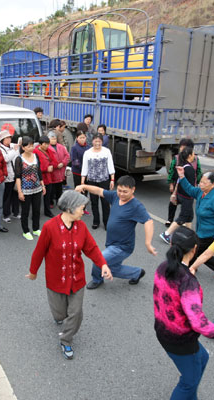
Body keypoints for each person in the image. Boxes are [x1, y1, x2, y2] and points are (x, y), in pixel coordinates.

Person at [154, 226, 214, 399]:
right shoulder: (187, 282)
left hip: (163, 331)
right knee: (188, 383)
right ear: (194, 249)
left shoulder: (163, 267)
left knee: (202, 358)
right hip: (180, 340)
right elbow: (199, 322)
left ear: (171, 244)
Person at [27, 191, 112, 359]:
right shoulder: (50, 227)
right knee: (60, 314)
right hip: (55, 279)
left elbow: (92, 248)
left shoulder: (81, 227)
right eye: (82, 208)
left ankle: (66, 340)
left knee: (76, 312)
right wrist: (33, 272)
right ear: (70, 208)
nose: (84, 211)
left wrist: (102, 264)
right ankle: (60, 318)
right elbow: (39, 251)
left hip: (77, 279)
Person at [76, 175, 157, 289]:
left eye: (125, 192)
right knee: (113, 268)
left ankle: (97, 279)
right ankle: (136, 273)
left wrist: (148, 243)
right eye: (119, 190)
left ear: (133, 190)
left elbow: (149, 222)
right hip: (111, 243)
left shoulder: (136, 206)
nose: (121, 194)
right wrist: (84, 186)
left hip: (122, 247)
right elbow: (99, 190)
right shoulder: (115, 196)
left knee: (99, 259)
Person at [171, 168, 214, 275]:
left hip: (211, 234)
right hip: (201, 231)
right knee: (204, 254)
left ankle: (184, 269)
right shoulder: (201, 192)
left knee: (193, 251)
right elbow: (189, 189)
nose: (200, 184)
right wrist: (181, 176)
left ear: (212, 184)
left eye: (204, 182)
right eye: (200, 181)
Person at [159, 147, 197, 243]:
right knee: (183, 216)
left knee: (189, 216)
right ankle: (167, 234)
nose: (194, 156)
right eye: (193, 154)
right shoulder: (190, 169)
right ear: (189, 156)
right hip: (187, 196)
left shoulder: (181, 166)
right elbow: (192, 186)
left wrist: (174, 193)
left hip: (180, 194)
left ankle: (190, 235)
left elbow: (177, 181)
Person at [81, 134, 115, 230]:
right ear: (92, 142)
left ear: (102, 141)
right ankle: (96, 221)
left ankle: (106, 222)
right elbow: (85, 167)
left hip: (104, 180)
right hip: (91, 181)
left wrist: (112, 179)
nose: (97, 143)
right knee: (94, 202)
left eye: (99, 141)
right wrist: (83, 182)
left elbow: (110, 166)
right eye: (95, 141)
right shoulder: (87, 153)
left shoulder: (106, 151)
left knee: (105, 202)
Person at [15, 137, 46, 240]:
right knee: (25, 211)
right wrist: (20, 192)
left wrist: (43, 185)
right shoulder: (19, 159)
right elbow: (18, 177)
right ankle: (26, 231)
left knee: (36, 210)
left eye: (32, 145)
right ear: (23, 147)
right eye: (28, 146)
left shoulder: (36, 156)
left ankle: (36, 229)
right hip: (25, 189)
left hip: (37, 188)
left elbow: (39, 172)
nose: (31, 148)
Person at [166, 139, 202, 226]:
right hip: (178, 185)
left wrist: (199, 185)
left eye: (184, 146)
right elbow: (171, 171)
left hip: (190, 188)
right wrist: (171, 184)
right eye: (181, 146)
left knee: (188, 209)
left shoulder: (196, 159)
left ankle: (186, 226)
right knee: (173, 202)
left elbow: (199, 172)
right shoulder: (176, 158)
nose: (181, 148)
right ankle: (170, 220)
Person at [34, 135, 59, 218]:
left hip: (48, 178)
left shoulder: (49, 150)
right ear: (40, 144)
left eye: (48, 144)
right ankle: (35, 213)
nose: (47, 146)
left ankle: (47, 211)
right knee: (36, 197)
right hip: (38, 178)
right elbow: (35, 166)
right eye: (45, 144)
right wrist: (45, 168)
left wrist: (52, 166)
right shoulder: (35, 152)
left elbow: (54, 161)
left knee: (47, 196)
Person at [0, 130, 20, 222]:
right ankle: (6, 215)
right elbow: (6, 159)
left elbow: (17, 157)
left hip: (15, 174)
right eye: (7, 138)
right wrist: (14, 151)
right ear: (2, 140)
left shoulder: (12, 146)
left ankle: (16, 212)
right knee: (7, 196)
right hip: (7, 176)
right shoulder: (0, 149)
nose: (9, 139)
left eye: (10, 137)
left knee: (15, 194)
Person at [48, 131, 70, 206]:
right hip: (52, 172)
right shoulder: (47, 147)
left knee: (59, 188)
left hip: (60, 171)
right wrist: (55, 165)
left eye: (55, 139)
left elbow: (67, 156)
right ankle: (51, 202)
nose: (54, 140)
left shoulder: (61, 147)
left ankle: (59, 200)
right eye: (52, 139)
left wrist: (63, 163)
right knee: (51, 189)